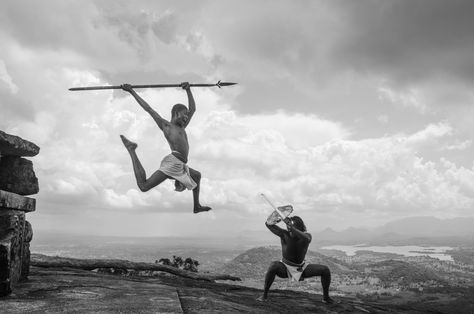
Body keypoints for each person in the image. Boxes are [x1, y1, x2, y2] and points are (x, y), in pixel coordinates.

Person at [119, 82, 211, 214]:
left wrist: (188, 90)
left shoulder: (182, 127)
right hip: (173, 162)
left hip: (180, 164)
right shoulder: (166, 126)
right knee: (144, 186)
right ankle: (131, 150)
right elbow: (149, 109)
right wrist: (131, 91)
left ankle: (196, 206)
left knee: (196, 175)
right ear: (176, 113)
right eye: (184, 115)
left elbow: (193, 109)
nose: (186, 118)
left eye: (187, 116)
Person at [257, 215, 334, 304]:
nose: (289, 228)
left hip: (301, 267)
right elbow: (268, 224)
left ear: (299, 227)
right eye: (288, 226)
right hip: (285, 268)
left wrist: (292, 227)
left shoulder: (307, 236)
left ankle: (326, 298)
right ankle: (264, 296)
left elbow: (306, 238)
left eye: (292, 225)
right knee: (273, 265)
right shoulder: (284, 234)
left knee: (325, 270)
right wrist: (275, 217)